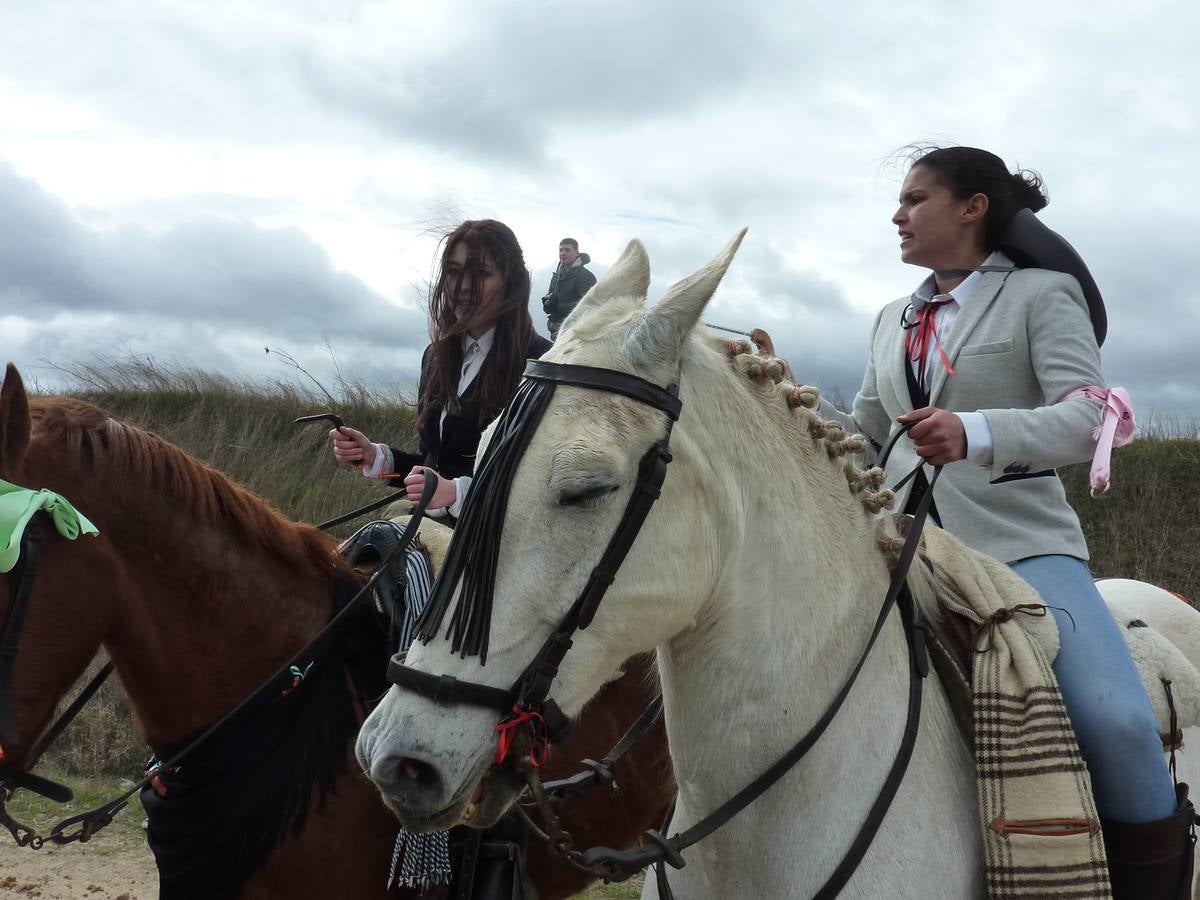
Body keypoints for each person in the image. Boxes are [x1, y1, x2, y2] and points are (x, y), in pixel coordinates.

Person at [816, 145, 1190, 897]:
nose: (898, 214)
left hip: (1019, 545)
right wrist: (770, 393)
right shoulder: (893, 316)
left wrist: (976, 432)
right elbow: (861, 432)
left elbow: (1091, 417)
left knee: (1116, 722)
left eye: (915, 198)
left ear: (972, 207)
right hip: (893, 542)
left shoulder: (1043, 295)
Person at [331, 219, 552, 519]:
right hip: (428, 528)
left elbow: (545, 490)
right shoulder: (435, 357)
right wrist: (376, 457)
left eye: (480, 273)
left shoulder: (543, 364)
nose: (462, 287)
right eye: (453, 272)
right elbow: (432, 468)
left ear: (512, 283)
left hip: (492, 552)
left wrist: (460, 494)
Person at [541, 237, 597, 341]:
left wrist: (558, 306)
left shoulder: (585, 276)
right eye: (561, 250)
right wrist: (548, 304)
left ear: (577, 253)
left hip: (574, 332)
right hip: (555, 329)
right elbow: (550, 296)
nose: (563, 253)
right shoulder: (557, 275)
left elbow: (588, 305)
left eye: (567, 250)